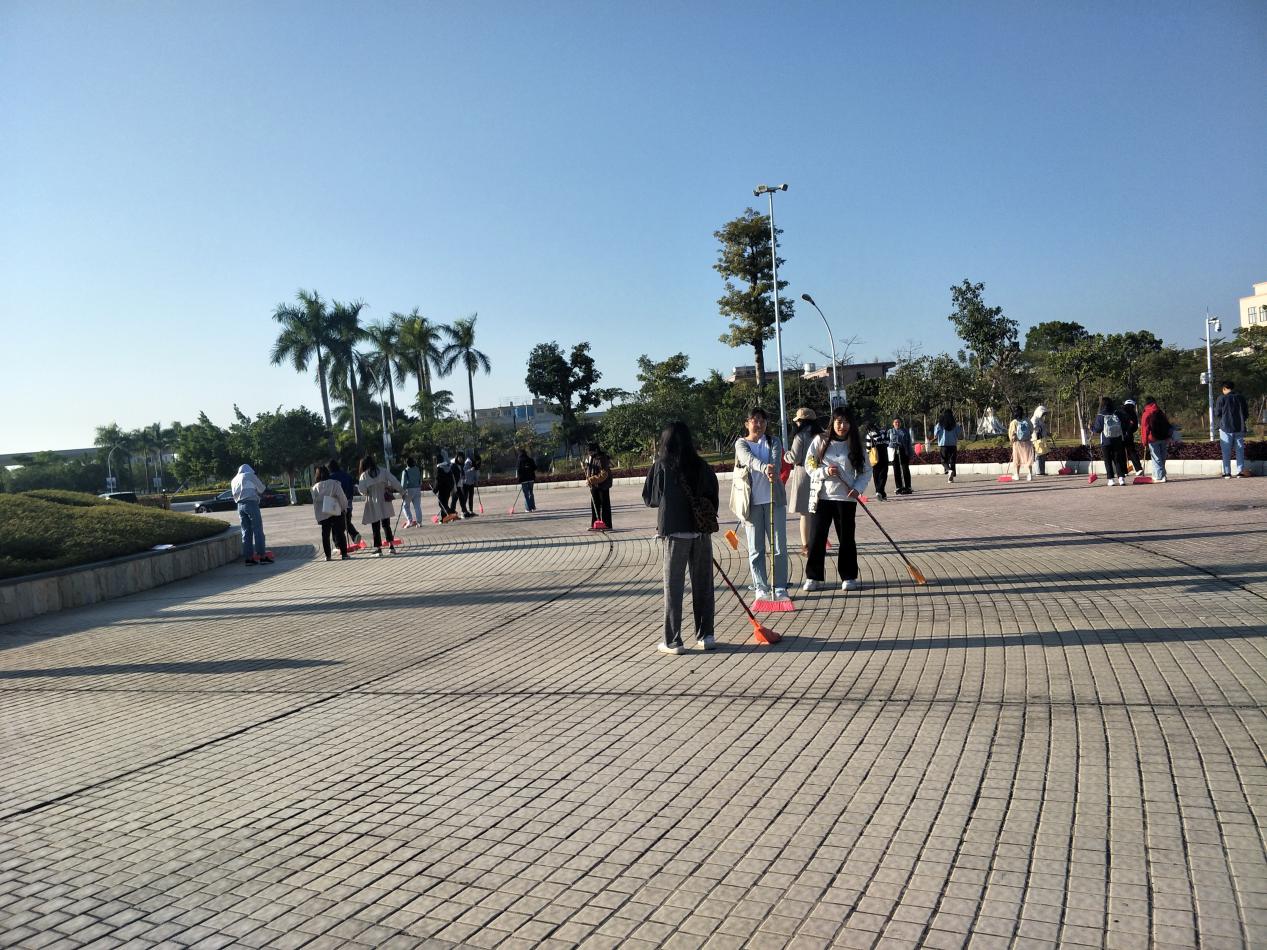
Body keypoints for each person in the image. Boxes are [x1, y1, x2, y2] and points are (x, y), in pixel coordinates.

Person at [642, 421, 719, 655]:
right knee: (703, 584)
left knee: (674, 587)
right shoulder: (702, 465)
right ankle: (706, 635)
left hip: (675, 532)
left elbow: (651, 498)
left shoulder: (662, 466)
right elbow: (713, 496)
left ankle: (673, 641)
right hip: (701, 532)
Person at [802, 406, 871, 592]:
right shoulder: (820, 440)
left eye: (846, 422)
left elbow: (866, 471)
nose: (842, 426)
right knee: (817, 538)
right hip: (822, 497)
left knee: (847, 539)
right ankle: (813, 577)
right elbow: (809, 466)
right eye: (839, 422)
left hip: (846, 498)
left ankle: (849, 577)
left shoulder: (855, 444)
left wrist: (857, 489)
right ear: (833, 423)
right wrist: (825, 471)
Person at [730, 406, 788, 600]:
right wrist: (765, 468)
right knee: (756, 549)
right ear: (747, 423)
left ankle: (779, 586)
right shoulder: (741, 443)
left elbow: (776, 462)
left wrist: (772, 470)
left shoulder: (774, 441)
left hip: (774, 500)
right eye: (755, 420)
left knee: (779, 547)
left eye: (763, 420)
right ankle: (761, 587)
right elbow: (748, 459)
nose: (759, 424)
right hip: (751, 503)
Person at [785, 408, 822, 555]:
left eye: (798, 421)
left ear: (802, 422)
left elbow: (795, 457)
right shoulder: (822, 435)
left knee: (805, 513)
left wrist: (786, 455)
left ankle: (806, 546)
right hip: (820, 475)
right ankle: (818, 543)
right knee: (818, 512)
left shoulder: (800, 436)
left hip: (804, 475)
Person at [358, 455, 403, 555]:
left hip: (372, 502)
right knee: (386, 524)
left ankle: (378, 548)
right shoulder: (383, 471)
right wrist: (402, 491)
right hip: (384, 500)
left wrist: (367, 492)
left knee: (375, 526)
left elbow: (362, 490)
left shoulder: (364, 475)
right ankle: (391, 546)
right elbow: (394, 481)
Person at [231, 463, 272, 565]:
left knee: (246, 531)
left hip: (239, 506)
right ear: (250, 470)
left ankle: (249, 559)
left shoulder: (234, 480)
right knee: (258, 529)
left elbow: (234, 494)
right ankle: (262, 557)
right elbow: (262, 489)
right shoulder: (249, 475)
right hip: (251, 503)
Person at [311, 465, 349, 560]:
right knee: (339, 533)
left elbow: (315, 504)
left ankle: (328, 556)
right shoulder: (334, 483)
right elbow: (341, 497)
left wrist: (318, 517)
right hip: (335, 510)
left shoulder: (315, 488)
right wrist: (344, 507)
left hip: (323, 514)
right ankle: (344, 554)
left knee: (325, 535)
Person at [1214, 381, 1249, 478]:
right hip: (1239, 427)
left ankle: (1227, 473)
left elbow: (1217, 413)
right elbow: (1246, 413)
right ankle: (1240, 472)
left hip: (1225, 428)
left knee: (1226, 451)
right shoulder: (1241, 398)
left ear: (1224, 388)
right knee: (1239, 450)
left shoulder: (1221, 398)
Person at [1091, 396, 1129, 486]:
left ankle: (1111, 479)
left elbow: (1098, 429)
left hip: (1105, 441)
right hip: (1117, 440)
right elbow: (1124, 425)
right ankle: (1121, 478)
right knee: (1118, 459)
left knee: (1107, 460)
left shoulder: (1100, 415)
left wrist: (1091, 428)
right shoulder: (1117, 413)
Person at [328, 459, 363, 549]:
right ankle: (355, 535)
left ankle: (338, 544)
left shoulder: (330, 478)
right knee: (346, 521)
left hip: (335, 504)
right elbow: (352, 488)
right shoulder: (347, 475)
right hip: (348, 502)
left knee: (335, 525)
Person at [1139, 396, 1170, 483]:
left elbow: (1144, 428)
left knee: (1156, 458)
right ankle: (1162, 475)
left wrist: (1144, 441)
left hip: (1152, 438)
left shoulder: (1146, 413)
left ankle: (1159, 477)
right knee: (1162, 457)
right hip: (1163, 437)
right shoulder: (1160, 411)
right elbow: (1167, 424)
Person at [583, 442, 614, 529]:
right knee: (594, 505)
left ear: (596, 450)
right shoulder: (590, 458)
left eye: (590, 451)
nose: (589, 453)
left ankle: (606, 524)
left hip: (603, 485)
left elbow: (604, 474)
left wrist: (591, 479)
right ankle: (595, 524)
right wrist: (588, 478)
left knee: (604, 505)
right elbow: (589, 469)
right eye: (588, 452)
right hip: (594, 485)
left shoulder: (602, 458)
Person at [1007, 405, 1036, 481]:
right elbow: (1031, 430)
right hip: (1027, 442)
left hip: (1018, 443)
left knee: (1017, 459)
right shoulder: (1027, 420)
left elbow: (1011, 434)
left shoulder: (1014, 422)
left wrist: (1012, 439)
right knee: (1028, 459)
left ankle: (1017, 475)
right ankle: (1030, 474)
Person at [933, 409, 961, 483]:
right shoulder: (955, 425)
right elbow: (959, 434)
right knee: (952, 461)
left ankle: (949, 471)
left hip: (943, 445)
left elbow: (935, 434)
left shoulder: (940, 424)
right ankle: (951, 478)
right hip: (953, 445)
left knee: (943, 461)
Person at [887, 417, 913, 495]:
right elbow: (887, 442)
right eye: (895, 422)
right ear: (893, 423)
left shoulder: (905, 431)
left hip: (904, 451)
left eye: (898, 422)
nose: (897, 424)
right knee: (896, 469)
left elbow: (909, 442)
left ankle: (908, 486)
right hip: (894, 452)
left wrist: (910, 453)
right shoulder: (890, 432)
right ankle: (899, 487)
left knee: (905, 469)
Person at [865, 424, 889, 501]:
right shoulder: (884, 433)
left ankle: (878, 491)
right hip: (884, 455)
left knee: (876, 474)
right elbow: (887, 443)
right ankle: (881, 492)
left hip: (874, 457)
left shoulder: (869, 435)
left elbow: (868, 448)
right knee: (883, 474)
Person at [1120, 399, 1144, 476]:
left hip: (1119, 435)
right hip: (1129, 435)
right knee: (1132, 452)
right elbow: (1135, 427)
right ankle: (1138, 469)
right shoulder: (1133, 413)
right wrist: (1130, 431)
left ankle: (1124, 471)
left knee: (1122, 453)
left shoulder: (1119, 412)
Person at [432, 452, 457, 520]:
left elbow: (438, 480)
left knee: (441, 504)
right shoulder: (448, 467)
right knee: (445, 503)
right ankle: (444, 518)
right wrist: (452, 487)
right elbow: (451, 478)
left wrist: (435, 489)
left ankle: (452, 513)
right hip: (448, 488)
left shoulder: (439, 468)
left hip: (442, 489)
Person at [399, 457, 423, 527]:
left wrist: (402, 493)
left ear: (407, 463)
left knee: (405, 506)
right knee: (417, 506)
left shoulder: (405, 471)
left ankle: (410, 521)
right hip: (417, 489)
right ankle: (419, 522)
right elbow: (420, 480)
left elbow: (403, 484)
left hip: (409, 490)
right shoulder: (418, 469)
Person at [1031, 406, 1052, 476]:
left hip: (1042, 439)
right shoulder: (1034, 419)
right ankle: (1038, 471)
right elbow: (1034, 428)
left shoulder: (1040, 420)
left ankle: (1042, 471)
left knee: (1043, 455)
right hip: (1037, 440)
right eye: (1043, 413)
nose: (1044, 415)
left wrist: (1048, 433)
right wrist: (1039, 430)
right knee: (1038, 455)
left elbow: (1044, 429)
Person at [451, 451, 472, 516]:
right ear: (457, 457)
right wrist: (453, 486)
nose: (461, 459)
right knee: (455, 499)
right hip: (454, 485)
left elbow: (462, 473)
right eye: (459, 457)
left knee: (460, 498)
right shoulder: (453, 465)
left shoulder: (461, 465)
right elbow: (452, 476)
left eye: (462, 458)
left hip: (459, 485)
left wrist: (463, 477)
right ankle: (454, 512)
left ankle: (462, 511)